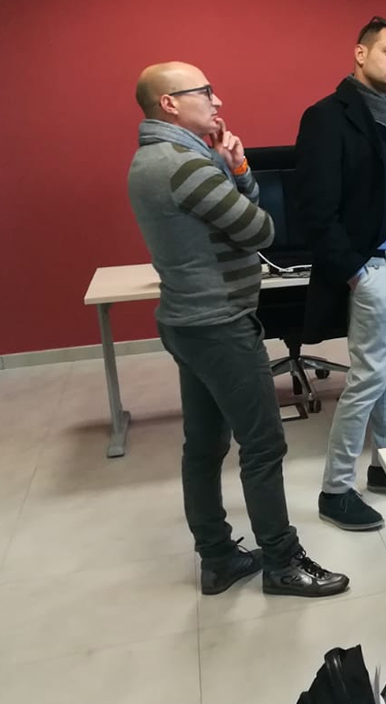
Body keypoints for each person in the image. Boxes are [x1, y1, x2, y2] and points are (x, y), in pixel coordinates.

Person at [128, 62, 349, 598]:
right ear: (169, 104)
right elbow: (261, 229)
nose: (217, 100)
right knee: (263, 445)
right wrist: (242, 169)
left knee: (204, 444)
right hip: (221, 324)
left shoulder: (150, 158)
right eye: (205, 92)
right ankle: (282, 563)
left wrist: (228, 167)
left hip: (185, 320)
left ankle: (218, 557)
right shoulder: (185, 165)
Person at [296, 17, 386, 532]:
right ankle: (335, 490)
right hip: (372, 268)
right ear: (360, 53)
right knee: (367, 378)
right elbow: (315, 208)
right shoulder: (326, 117)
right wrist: (356, 272)